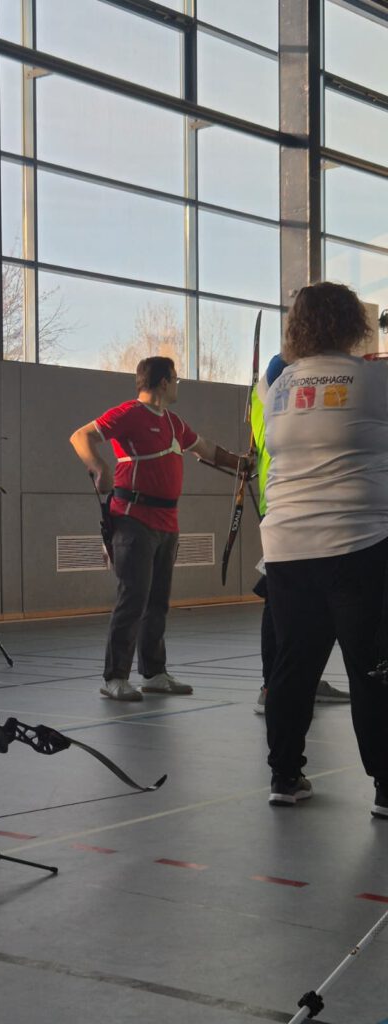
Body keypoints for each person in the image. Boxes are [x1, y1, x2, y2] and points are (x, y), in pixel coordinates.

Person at [259, 282, 388, 816]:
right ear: (352, 323)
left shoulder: (277, 387)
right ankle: (386, 786)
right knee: (373, 667)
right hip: (357, 543)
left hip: (287, 546)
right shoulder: (374, 380)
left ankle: (285, 776)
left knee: (293, 663)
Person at [70, 356, 251, 702]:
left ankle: (153, 673)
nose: (178, 385)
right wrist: (99, 467)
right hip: (133, 520)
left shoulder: (173, 422)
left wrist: (240, 463)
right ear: (164, 382)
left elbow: (206, 449)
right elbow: (81, 437)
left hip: (168, 523)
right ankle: (115, 677)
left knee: (157, 602)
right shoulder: (128, 413)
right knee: (133, 598)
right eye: (176, 379)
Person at [249, 355, 350, 714]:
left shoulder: (273, 389)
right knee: (279, 599)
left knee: (303, 600)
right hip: (289, 503)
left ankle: (302, 678)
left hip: (291, 502)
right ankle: (272, 685)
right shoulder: (284, 381)